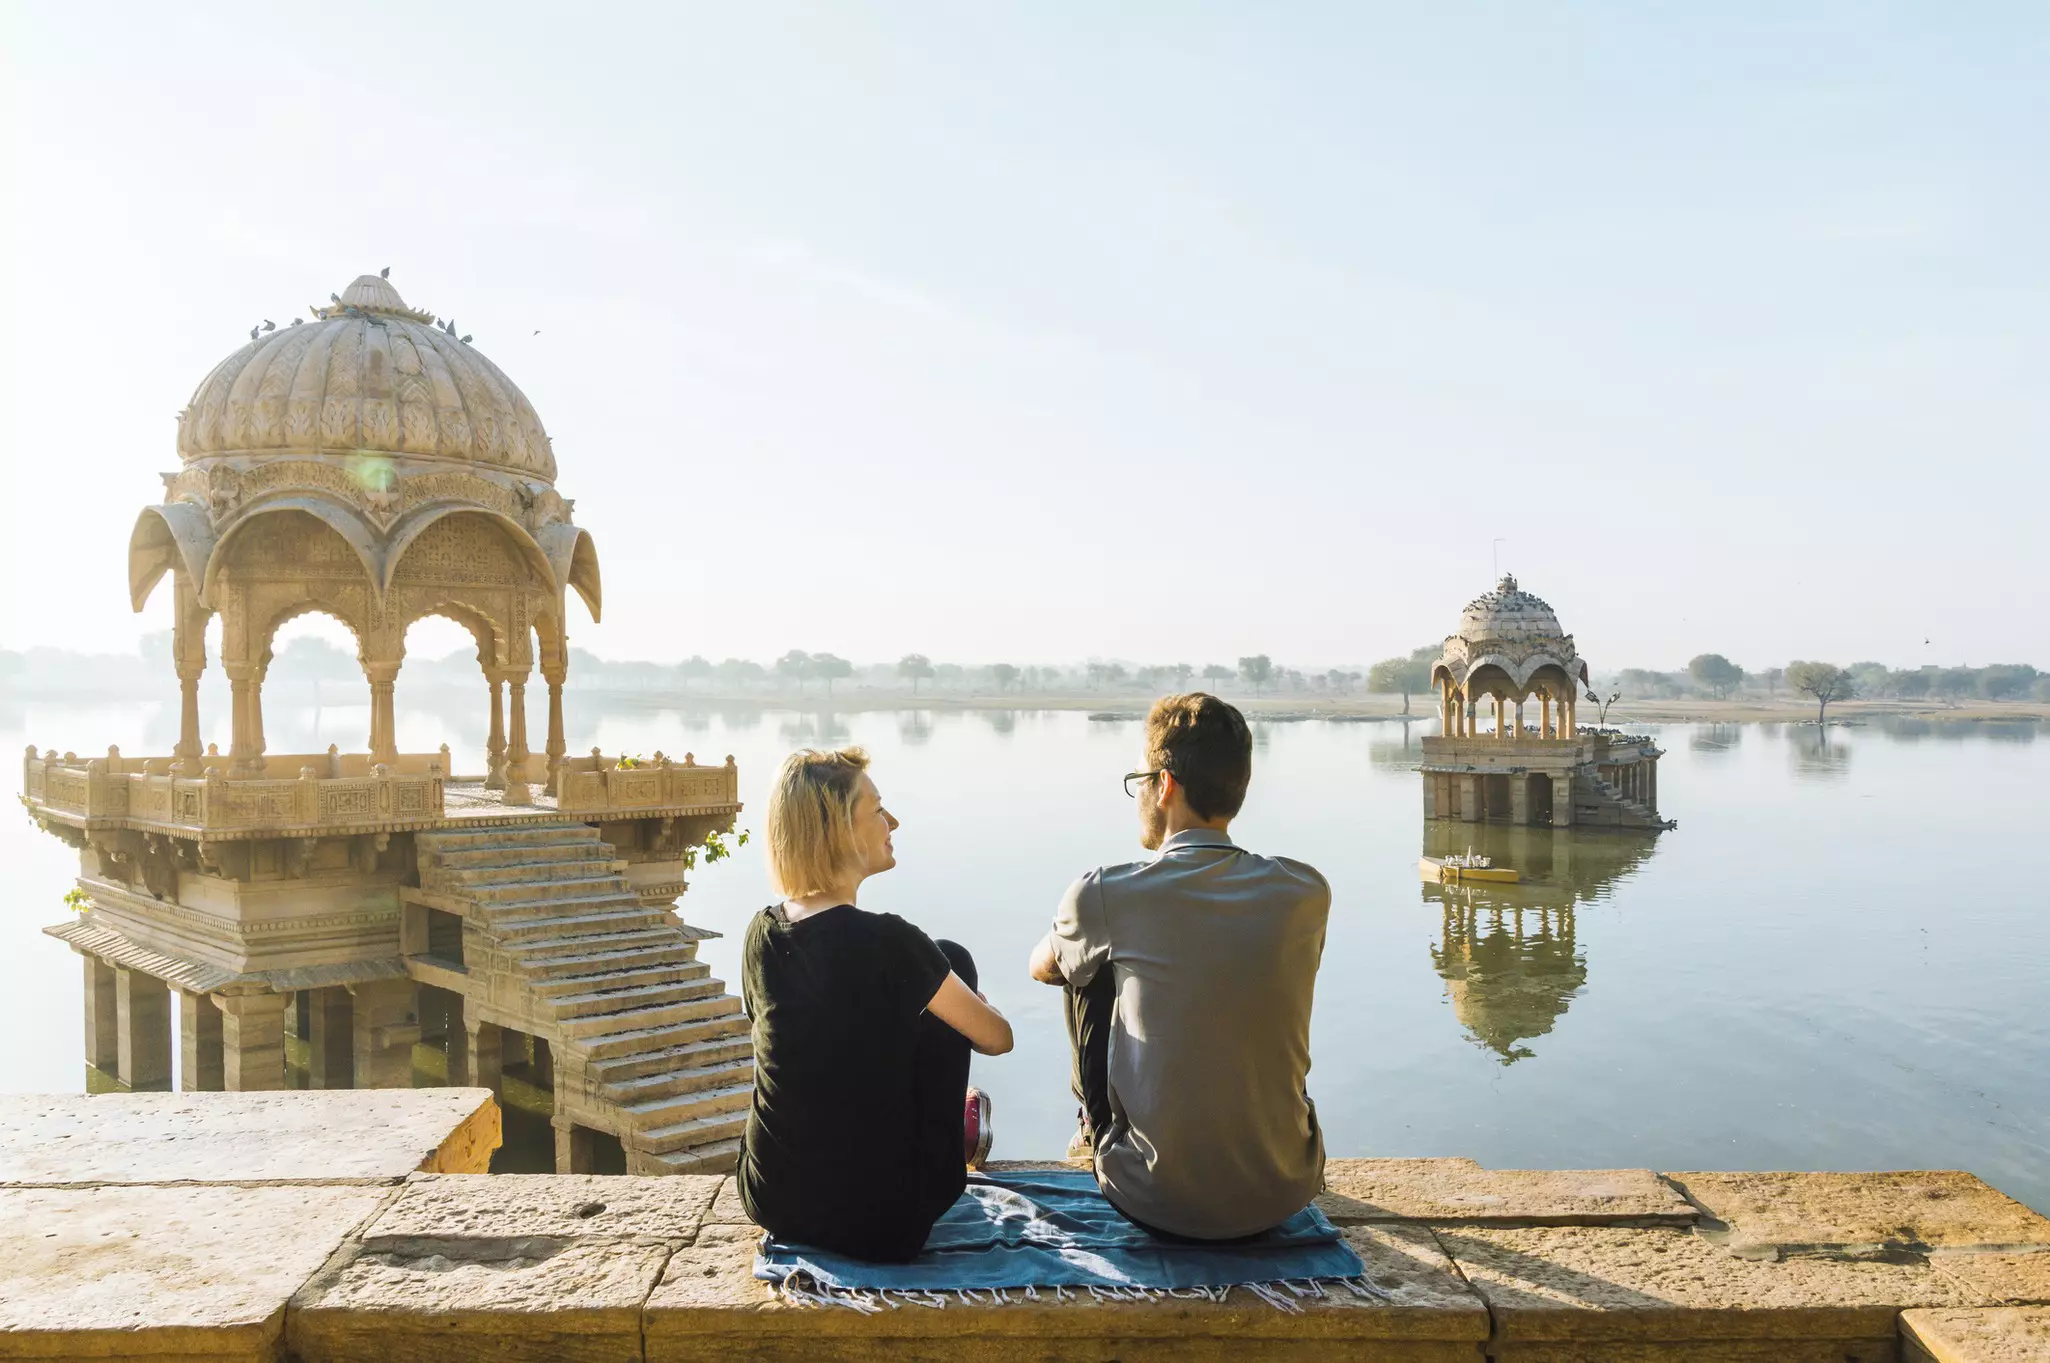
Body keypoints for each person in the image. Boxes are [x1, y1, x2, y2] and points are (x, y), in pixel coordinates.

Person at [1027, 693, 1330, 1242]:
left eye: (1141, 779)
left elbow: (1041, 967)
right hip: (1285, 1189)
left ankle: (1094, 1132)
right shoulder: (1305, 890)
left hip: (1152, 1198)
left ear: (1165, 784)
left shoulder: (1108, 892)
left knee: (1084, 973)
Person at [738, 747, 1013, 1262]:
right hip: (886, 1223)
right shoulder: (893, 942)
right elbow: (999, 1038)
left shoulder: (762, 934)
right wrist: (968, 1004)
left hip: (771, 1197)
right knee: (952, 959)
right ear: (839, 830)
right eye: (878, 810)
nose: (894, 821)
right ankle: (954, 1133)